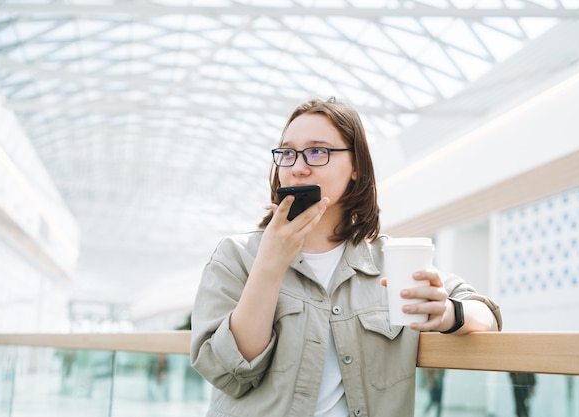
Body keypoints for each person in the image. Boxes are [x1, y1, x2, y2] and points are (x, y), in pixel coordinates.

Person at [191, 97, 502, 417]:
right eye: (287, 153)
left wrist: (450, 313)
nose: (298, 167)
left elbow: (488, 316)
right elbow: (229, 372)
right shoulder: (237, 256)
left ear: (356, 167)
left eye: (317, 151)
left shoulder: (388, 259)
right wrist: (269, 266)